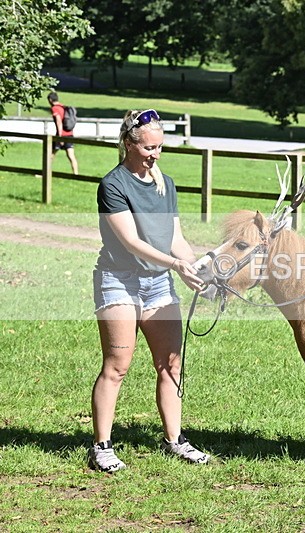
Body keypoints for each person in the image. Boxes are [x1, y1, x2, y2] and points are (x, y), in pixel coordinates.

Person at [88, 108, 209, 473]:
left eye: (159, 147)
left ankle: (175, 441)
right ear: (129, 143)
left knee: (171, 364)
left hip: (159, 284)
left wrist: (199, 267)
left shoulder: (164, 183)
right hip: (119, 281)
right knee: (118, 365)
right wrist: (176, 265)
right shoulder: (113, 185)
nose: (154, 154)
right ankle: (102, 446)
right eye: (148, 148)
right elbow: (131, 242)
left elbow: (175, 238)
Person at [47, 91, 79, 175]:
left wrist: (60, 137)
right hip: (70, 135)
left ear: (50, 100)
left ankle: (45, 173)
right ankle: (76, 174)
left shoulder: (55, 108)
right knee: (71, 156)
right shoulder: (64, 107)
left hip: (61, 135)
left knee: (51, 155)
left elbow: (58, 122)